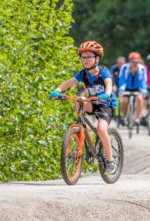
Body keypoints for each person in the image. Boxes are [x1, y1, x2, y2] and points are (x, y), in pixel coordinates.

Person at [50, 40, 118, 174]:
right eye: (83, 57)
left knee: (100, 129)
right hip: (92, 103)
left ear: (97, 58)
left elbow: (109, 83)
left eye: (89, 57)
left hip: (106, 104)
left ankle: (110, 161)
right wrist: (57, 90)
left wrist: (107, 93)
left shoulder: (103, 71)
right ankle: (81, 127)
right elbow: (68, 82)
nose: (85, 60)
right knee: (79, 100)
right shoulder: (83, 74)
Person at [118, 52, 147, 125]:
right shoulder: (125, 67)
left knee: (140, 99)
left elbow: (143, 80)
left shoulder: (142, 68)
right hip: (127, 88)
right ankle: (123, 117)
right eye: (133, 62)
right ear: (130, 61)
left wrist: (143, 90)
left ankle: (137, 118)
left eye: (136, 62)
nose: (135, 64)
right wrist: (121, 89)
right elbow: (122, 79)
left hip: (137, 88)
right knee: (124, 101)